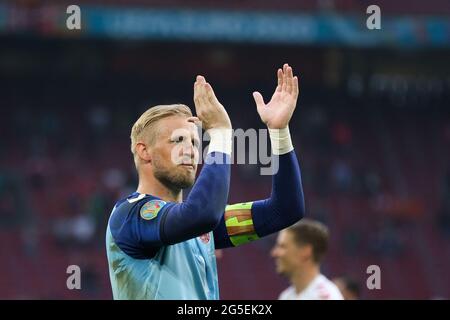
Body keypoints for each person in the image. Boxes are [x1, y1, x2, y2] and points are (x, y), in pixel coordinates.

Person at [106, 64, 305, 299]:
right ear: (144, 151)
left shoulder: (203, 230)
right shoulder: (131, 215)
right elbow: (201, 216)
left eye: (194, 141)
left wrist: (279, 132)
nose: (190, 150)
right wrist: (220, 133)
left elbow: (285, 210)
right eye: (178, 140)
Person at [271, 219, 343, 300]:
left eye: (282, 246)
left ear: (305, 252)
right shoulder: (286, 296)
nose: (274, 253)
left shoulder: (324, 297)